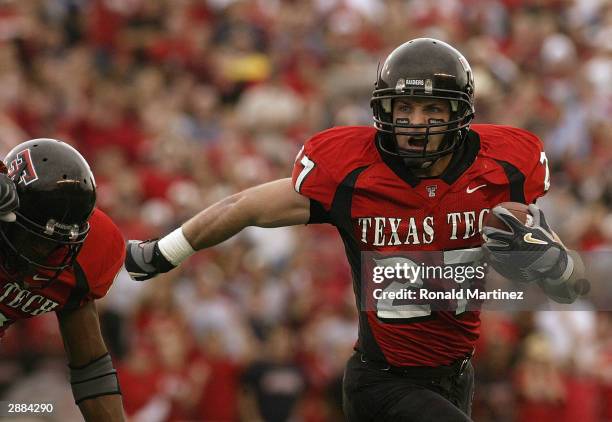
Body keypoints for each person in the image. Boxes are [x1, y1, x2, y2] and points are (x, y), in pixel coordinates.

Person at [125, 38, 584, 421]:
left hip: (457, 375)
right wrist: (165, 251)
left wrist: (556, 268)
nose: (415, 122)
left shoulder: (498, 170)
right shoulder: (353, 174)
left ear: (458, 114)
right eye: (404, 106)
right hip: (382, 383)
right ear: (384, 108)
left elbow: (566, 283)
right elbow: (244, 206)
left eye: (430, 108)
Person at [0, 139, 126, 421]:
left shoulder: (78, 259)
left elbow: (91, 367)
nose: (45, 253)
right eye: (35, 238)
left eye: (56, 244)